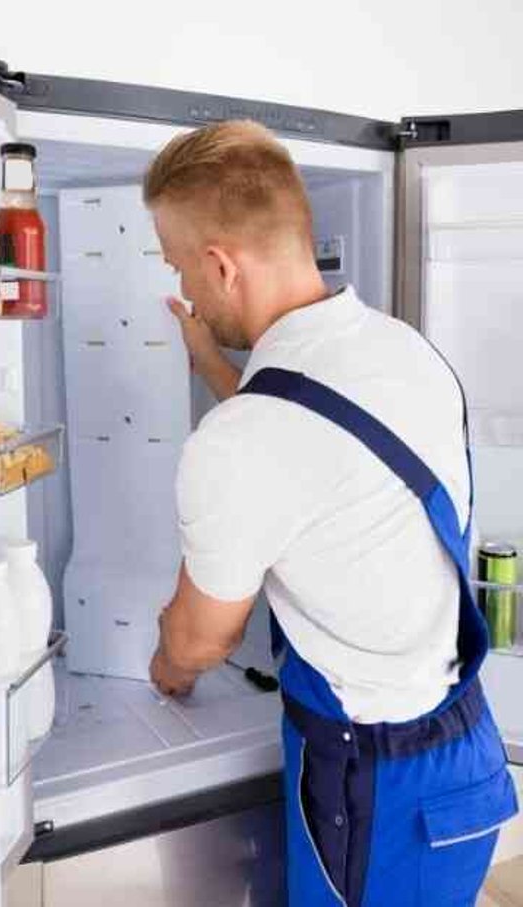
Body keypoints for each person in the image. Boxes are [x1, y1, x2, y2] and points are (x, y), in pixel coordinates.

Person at [146, 120, 514, 905]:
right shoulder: (404, 350)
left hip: (373, 787)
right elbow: (315, 452)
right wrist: (208, 361)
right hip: (464, 753)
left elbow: (200, 638)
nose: (187, 289)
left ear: (219, 264)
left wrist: (165, 667)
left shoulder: (238, 444)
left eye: (180, 267)